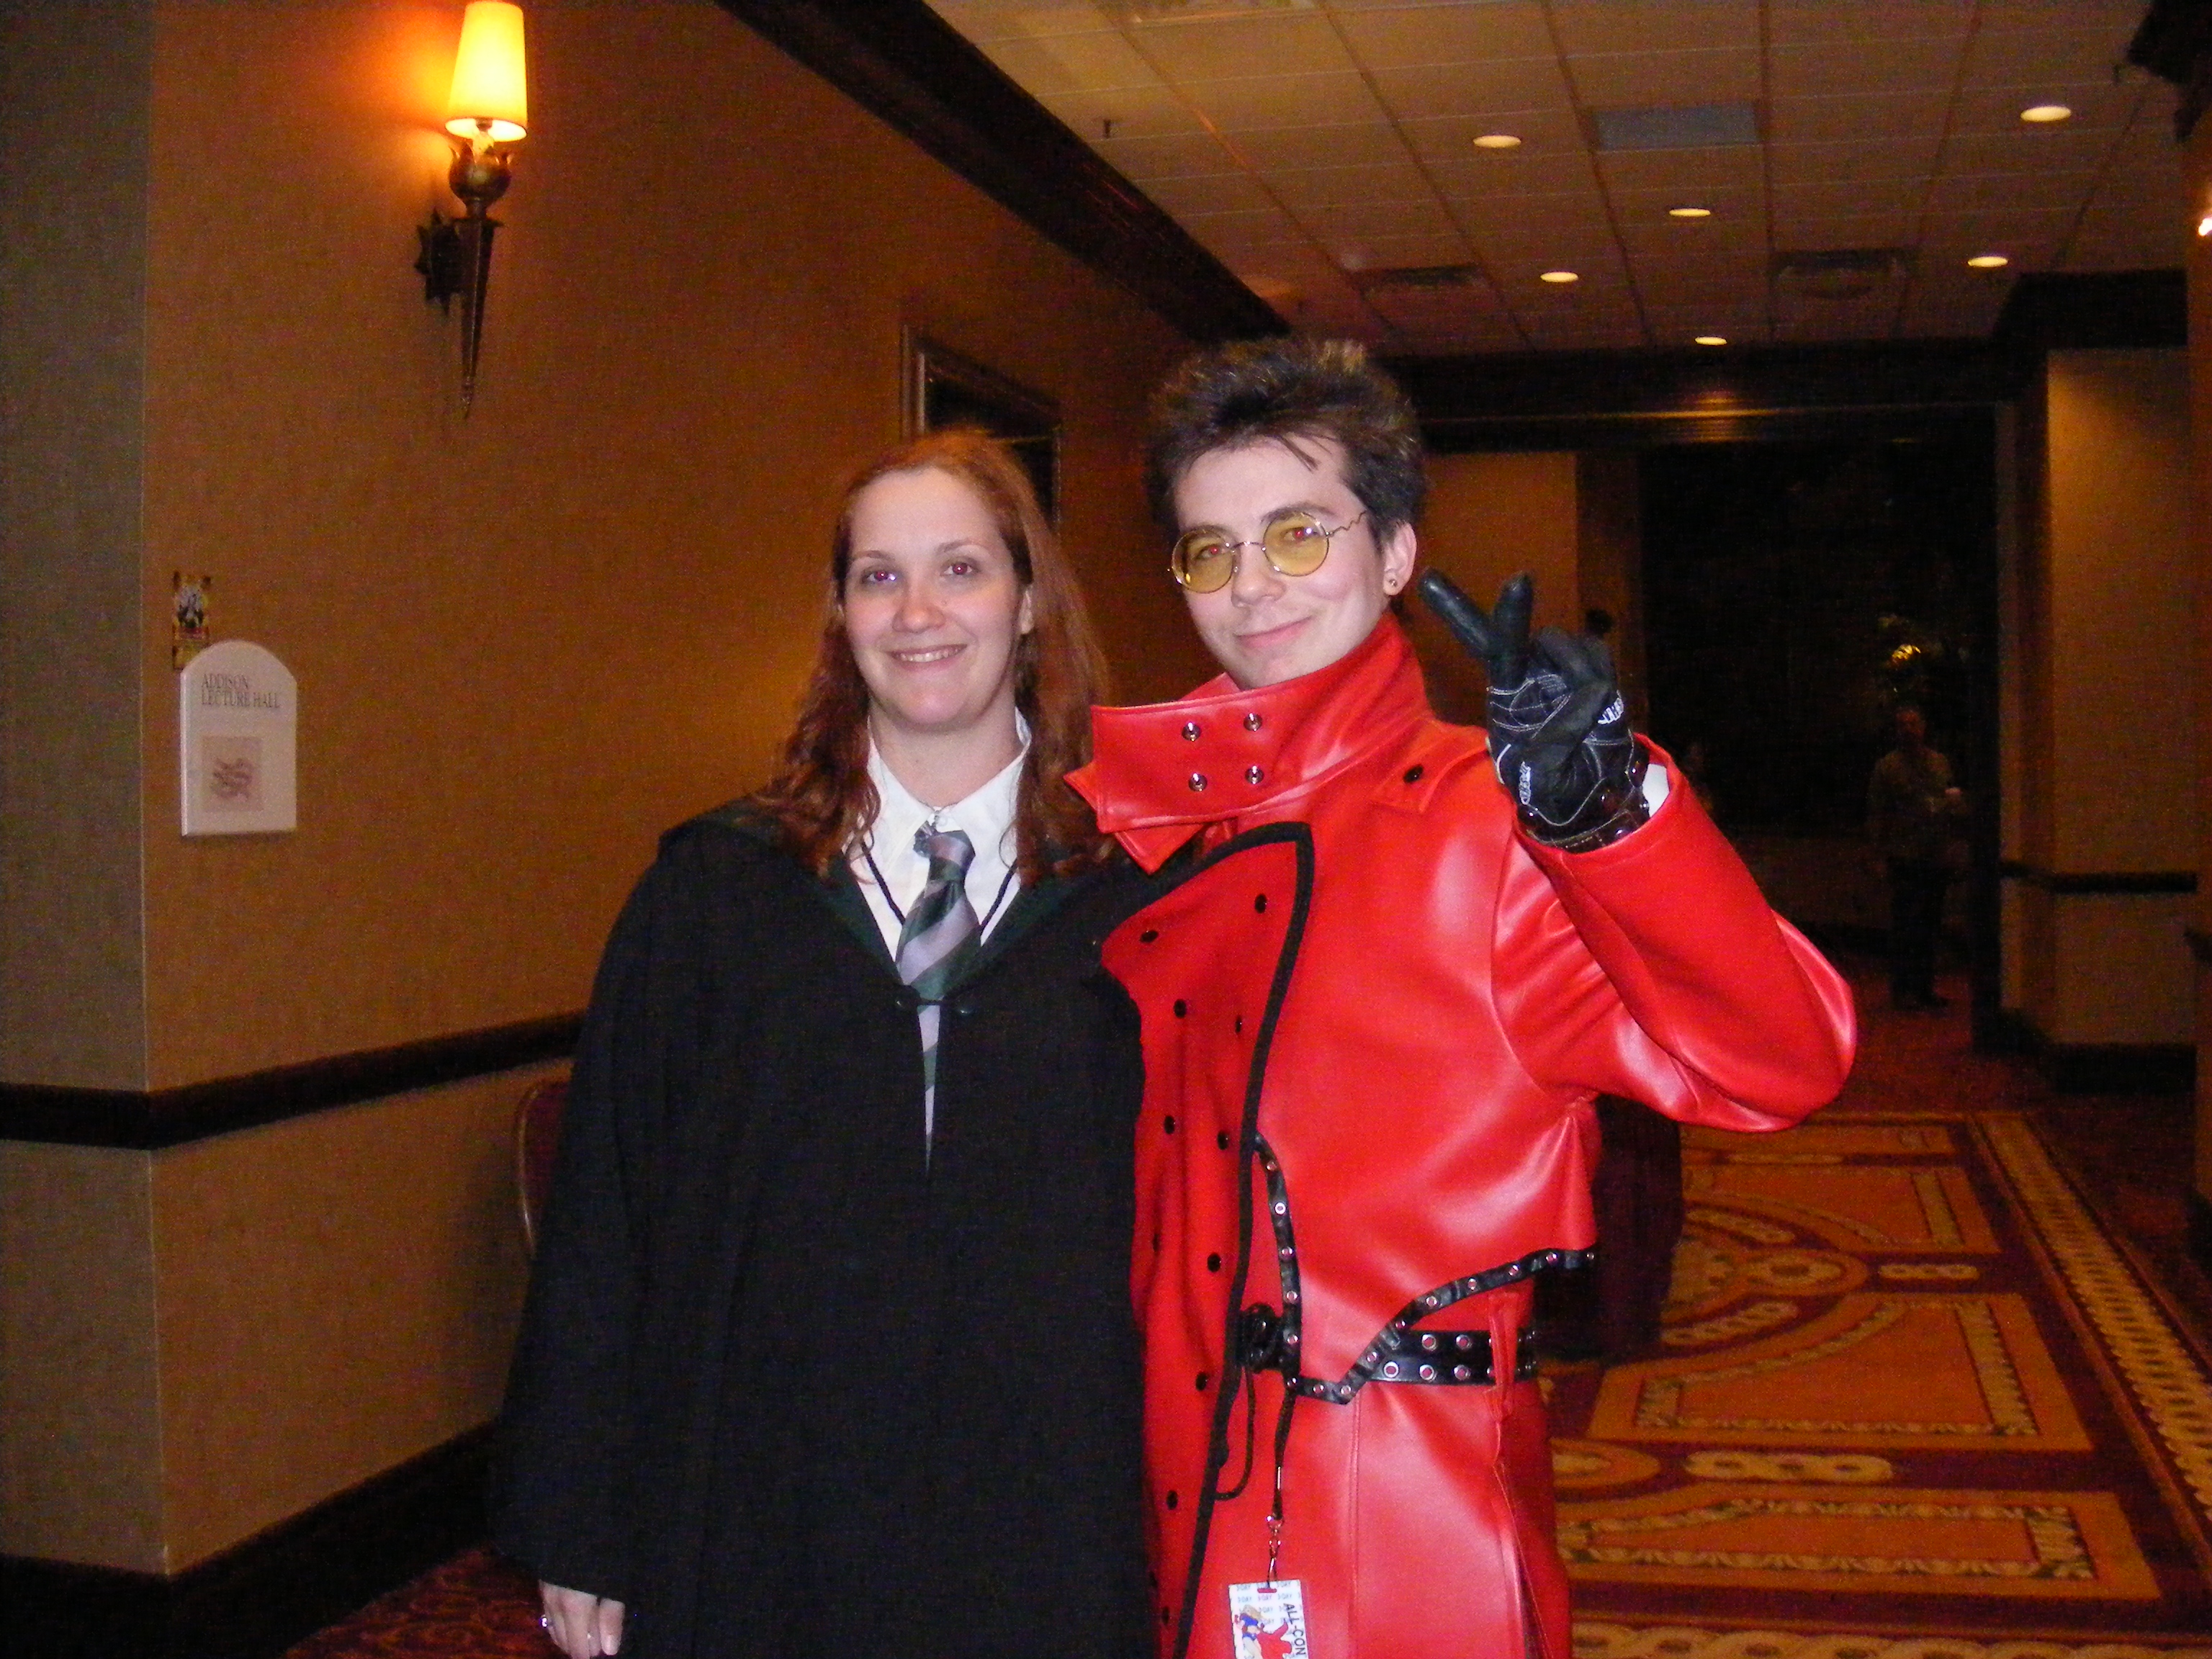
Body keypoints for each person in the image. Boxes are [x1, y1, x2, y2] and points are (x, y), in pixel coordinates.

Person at [1066, 338, 1857, 1659]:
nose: (1251, 583)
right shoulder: (1153, 835)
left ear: (1394, 554)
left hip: (1398, 1505)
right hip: (1183, 1482)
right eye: (1210, 550)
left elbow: (1781, 1058)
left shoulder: (1485, 821)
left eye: (1298, 533)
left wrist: (1608, 815)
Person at [493, 430, 1153, 1659]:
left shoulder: (1140, 893)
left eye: (961, 569)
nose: (917, 612)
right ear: (841, 617)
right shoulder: (717, 894)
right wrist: (583, 1514)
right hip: (770, 1495)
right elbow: (608, 1217)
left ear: (1028, 603)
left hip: (1057, 1501)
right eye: (877, 576)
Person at [1866, 704, 1965, 1010]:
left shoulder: (1939, 763)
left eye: (1913, 724)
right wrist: (1878, 854)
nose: (1909, 730)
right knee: (1905, 923)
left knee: (1930, 923)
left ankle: (1924, 987)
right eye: (1903, 725)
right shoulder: (1887, 768)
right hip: (1904, 854)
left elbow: (1950, 803)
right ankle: (1902, 988)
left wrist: (1952, 838)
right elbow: (1877, 812)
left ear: (1923, 727)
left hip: (1934, 853)